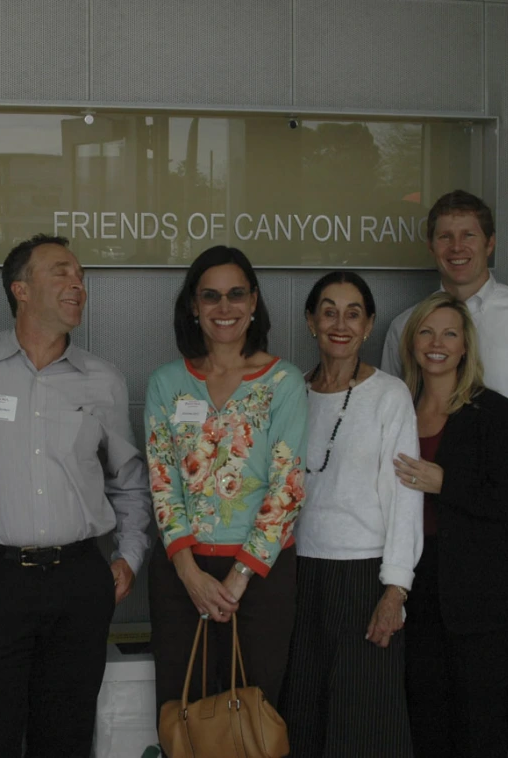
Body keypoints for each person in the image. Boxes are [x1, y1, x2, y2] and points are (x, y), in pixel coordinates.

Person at [0, 233, 151, 758]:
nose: (77, 284)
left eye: (80, 276)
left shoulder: (103, 379)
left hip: (78, 580)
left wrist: (129, 555)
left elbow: (128, 478)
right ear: (20, 289)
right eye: (60, 272)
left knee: (67, 734)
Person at [144, 245, 308, 731]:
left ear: (254, 301)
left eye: (237, 294)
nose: (224, 307)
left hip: (260, 576)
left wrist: (237, 581)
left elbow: (287, 488)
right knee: (185, 713)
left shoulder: (284, 381)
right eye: (210, 296)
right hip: (182, 573)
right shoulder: (166, 382)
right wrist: (191, 574)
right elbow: (162, 480)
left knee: (252, 720)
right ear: (193, 306)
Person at [393, 292, 508, 758]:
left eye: (450, 333)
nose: (437, 343)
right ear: (411, 343)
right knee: (427, 719)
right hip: (416, 588)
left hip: (478, 599)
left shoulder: (493, 412)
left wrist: (447, 483)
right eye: (426, 331)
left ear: (466, 346)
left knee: (479, 726)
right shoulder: (396, 407)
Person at [277, 271, 423, 756]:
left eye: (353, 312)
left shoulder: (389, 396)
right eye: (329, 311)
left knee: (365, 728)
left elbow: (407, 500)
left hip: (366, 580)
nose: (340, 323)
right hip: (299, 577)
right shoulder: (290, 392)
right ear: (310, 322)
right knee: (303, 720)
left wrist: (395, 590)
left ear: (369, 325)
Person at [381, 190, 508, 488]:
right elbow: (392, 410)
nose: (456, 247)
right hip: (421, 493)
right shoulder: (404, 326)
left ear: (490, 243)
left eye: (468, 235)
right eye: (445, 237)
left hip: (505, 488)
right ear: (430, 245)